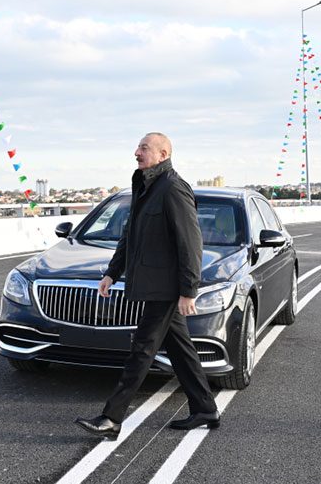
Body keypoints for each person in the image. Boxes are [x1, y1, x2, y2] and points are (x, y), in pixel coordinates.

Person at [74, 132, 219, 439]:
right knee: (180, 350)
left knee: (141, 351)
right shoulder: (145, 187)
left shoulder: (173, 188)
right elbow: (129, 236)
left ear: (163, 154)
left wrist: (188, 290)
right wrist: (112, 273)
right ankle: (205, 409)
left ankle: (111, 418)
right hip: (154, 285)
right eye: (138, 147)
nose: (136, 152)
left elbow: (191, 243)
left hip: (165, 288)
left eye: (143, 148)